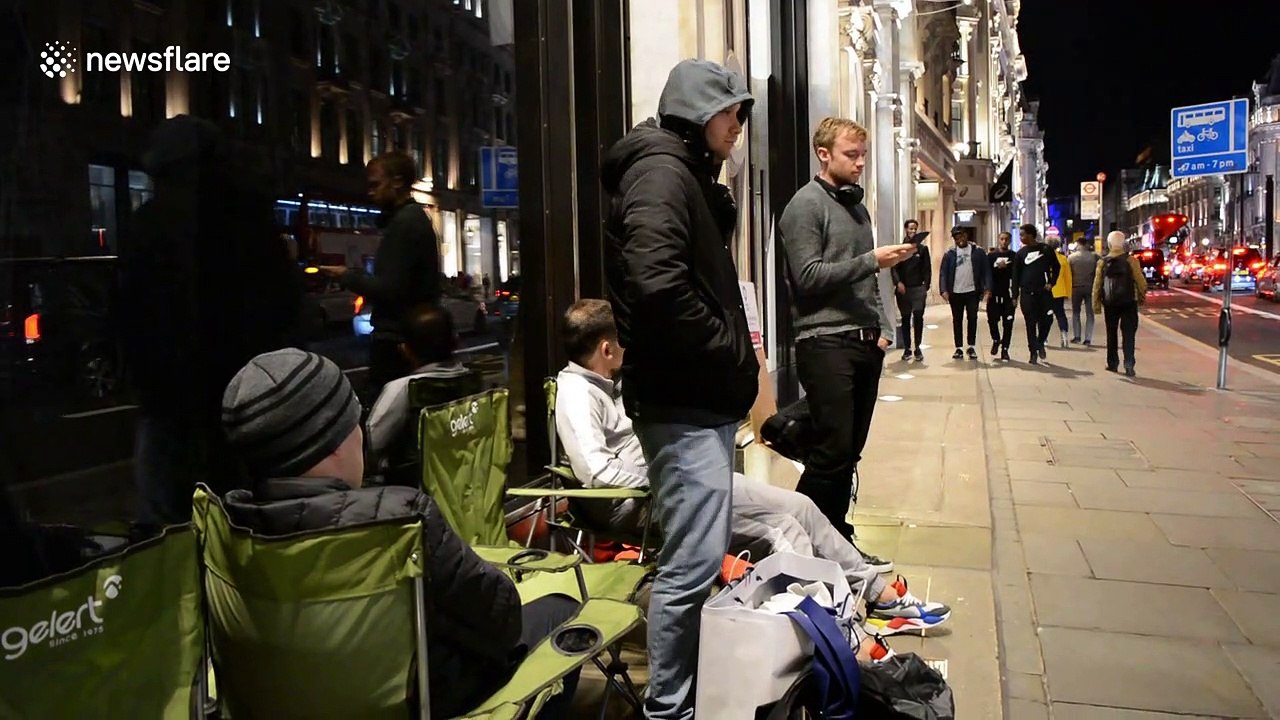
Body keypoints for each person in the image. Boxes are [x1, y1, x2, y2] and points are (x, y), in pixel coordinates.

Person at [554, 299, 951, 639]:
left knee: (800, 507)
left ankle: (878, 594)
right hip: (647, 500)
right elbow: (597, 472)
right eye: (623, 340)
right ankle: (831, 631)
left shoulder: (618, 384)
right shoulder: (576, 393)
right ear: (607, 348)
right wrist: (662, 479)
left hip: (682, 480)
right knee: (780, 532)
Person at [219, 349, 580, 718]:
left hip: (283, 699)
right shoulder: (399, 520)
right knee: (562, 614)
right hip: (408, 702)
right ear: (335, 441)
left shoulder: (225, 529)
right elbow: (500, 621)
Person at [600, 58, 760, 720]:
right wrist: (725, 350)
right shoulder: (662, 171)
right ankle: (670, 710)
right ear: (701, 114)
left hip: (693, 398)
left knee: (693, 561)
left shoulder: (679, 173)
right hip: (683, 399)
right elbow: (657, 283)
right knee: (689, 570)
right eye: (733, 113)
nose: (739, 127)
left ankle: (681, 702)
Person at [120, 115, 303, 524]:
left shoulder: (152, 224)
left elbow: (130, 308)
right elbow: (283, 304)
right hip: (246, 390)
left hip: (173, 396)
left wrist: (143, 375)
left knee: (168, 510)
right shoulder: (252, 219)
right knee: (244, 504)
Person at [778, 117, 915, 558]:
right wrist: (872, 261)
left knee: (849, 451)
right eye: (850, 155)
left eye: (863, 156)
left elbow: (867, 281)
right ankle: (800, 541)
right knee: (831, 452)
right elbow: (809, 276)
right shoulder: (805, 206)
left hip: (863, 341)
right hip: (824, 340)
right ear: (824, 154)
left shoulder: (857, 208)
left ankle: (835, 538)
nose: (860, 164)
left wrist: (884, 328)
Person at [322, 151, 442, 393]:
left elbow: (390, 288)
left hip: (396, 342)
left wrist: (346, 276)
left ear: (397, 182)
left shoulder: (405, 224)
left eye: (376, 184)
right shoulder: (411, 219)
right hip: (407, 338)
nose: (370, 192)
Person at [364, 304, 472, 478]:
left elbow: (372, 443)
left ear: (405, 349)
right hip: (465, 478)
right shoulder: (470, 379)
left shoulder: (402, 389)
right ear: (456, 340)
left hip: (414, 487)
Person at [1092, 232, 1147, 376]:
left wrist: (1096, 304)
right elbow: (1141, 282)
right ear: (1124, 244)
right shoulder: (1132, 261)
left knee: (1111, 333)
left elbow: (1097, 285)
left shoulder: (1102, 262)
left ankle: (1112, 363)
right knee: (1129, 334)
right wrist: (1141, 297)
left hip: (1110, 303)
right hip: (1129, 301)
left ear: (1109, 244)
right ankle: (1129, 364)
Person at [938, 226, 990, 360]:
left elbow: (986, 271)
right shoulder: (950, 254)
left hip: (972, 291)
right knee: (957, 320)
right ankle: (959, 348)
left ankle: (971, 346)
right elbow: (943, 272)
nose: (959, 240)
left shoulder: (978, 252)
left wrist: (987, 288)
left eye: (961, 236)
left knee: (972, 318)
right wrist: (943, 290)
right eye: (956, 238)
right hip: (955, 292)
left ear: (966, 235)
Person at [1012, 224, 1060, 365]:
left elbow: (1056, 267)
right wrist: (1015, 296)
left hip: (1044, 293)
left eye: (1022, 235)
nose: (1021, 238)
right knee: (1030, 323)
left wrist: (1052, 282)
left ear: (1031, 235)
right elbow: (1015, 276)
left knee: (1047, 320)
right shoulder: (1021, 254)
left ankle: (1040, 342)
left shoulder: (1045, 249)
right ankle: (1033, 351)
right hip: (1027, 294)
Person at [891, 219, 932, 362]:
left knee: (918, 318)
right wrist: (898, 282)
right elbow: (894, 267)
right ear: (906, 230)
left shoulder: (922, 249)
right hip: (903, 290)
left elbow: (927, 269)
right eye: (910, 229)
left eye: (915, 229)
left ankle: (917, 347)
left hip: (918, 288)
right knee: (905, 319)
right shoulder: (900, 249)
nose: (913, 231)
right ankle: (907, 348)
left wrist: (925, 286)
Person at [986, 231, 1017, 361]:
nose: (1004, 241)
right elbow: (987, 273)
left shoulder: (1014, 256)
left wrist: (1015, 295)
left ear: (1009, 241)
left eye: (1006, 239)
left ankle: (1005, 348)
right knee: (992, 320)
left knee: (1008, 322)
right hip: (994, 293)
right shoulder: (991, 256)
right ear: (999, 240)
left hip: (1007, 293)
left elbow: (1016, 275)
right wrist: (987, 290)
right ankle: (996, 339)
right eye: (1002, 239)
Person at [1068, 238, 1099, 345]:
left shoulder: (1071, 258)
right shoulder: (1094, 257)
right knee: (1090, 313)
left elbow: (1069, 274)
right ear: (1086, 244)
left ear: (1078, 244)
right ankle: (1088, 338)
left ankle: (1077, 336)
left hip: (1076, 287)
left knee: (1076, 312)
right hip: (1090, 287)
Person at [1046, 238, 1073, 349]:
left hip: (1046, 291)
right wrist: (1068, 292)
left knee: (1045, 315)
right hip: (1059, 291)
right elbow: (1068, 277)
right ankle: (1064, 336)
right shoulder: (1063, 259)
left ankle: (1044, 338)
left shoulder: (1044, 258)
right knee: (1060, 314)